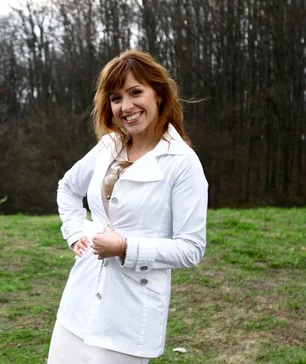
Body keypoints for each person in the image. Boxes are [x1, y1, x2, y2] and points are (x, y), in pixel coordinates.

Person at [47, 50, 208, 363]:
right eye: (116, 97)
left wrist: (125, 248)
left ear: (159, 95)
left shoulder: (183, 164)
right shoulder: (110, 145)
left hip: (129, 318)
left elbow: (191, 249)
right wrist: (75, 231)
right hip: (77, 305)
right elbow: (67, 188)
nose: (126, 106)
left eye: (136, 92)